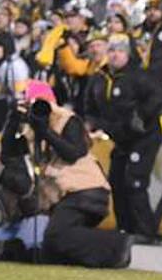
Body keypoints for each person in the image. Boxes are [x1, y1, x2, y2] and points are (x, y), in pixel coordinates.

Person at [9, 81, 133, 267]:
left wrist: (46, 132)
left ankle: (117, 244)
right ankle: (110, 258)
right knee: (50, 251)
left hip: (86, 190)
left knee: (55, 235)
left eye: (43, 105)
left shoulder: (68, 120)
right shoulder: (30, 131)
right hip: (67, 196)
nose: (40, 111)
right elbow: (7, 154)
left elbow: (75, 152)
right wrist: (11, 122)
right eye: (32, 105)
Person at [84, 34, 162, 241]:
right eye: (111, 50)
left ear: (128, 54)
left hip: (144, 137)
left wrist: (140, 117)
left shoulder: (139, 76)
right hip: (120, 138)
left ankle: (146, 232)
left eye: (120, 51)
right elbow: (89, 108)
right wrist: (92, 124)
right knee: (117, 181)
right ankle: (126, 228)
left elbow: (159, 97)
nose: (115, 55)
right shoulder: (99, 79)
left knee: (135, 181)